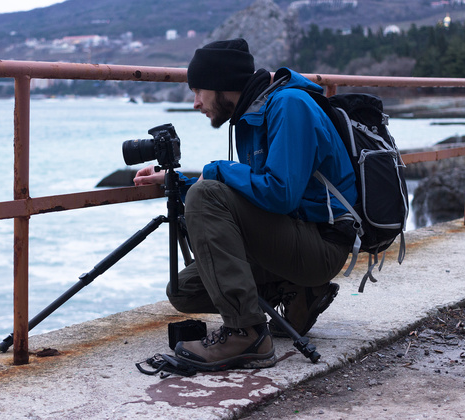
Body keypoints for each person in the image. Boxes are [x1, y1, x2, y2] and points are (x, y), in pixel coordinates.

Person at [134, 38, 358, 371]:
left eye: (198, 91)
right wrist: (178, 183)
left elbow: (281, 194)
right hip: (292, 236)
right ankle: (298, 292)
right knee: (183, 291)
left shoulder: (289, 105)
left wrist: (213, 173)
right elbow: (252, 194)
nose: (195, 103)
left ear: (222, 85)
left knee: (206, 193)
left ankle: (246, 333)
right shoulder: (250, 115)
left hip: (322, 243)